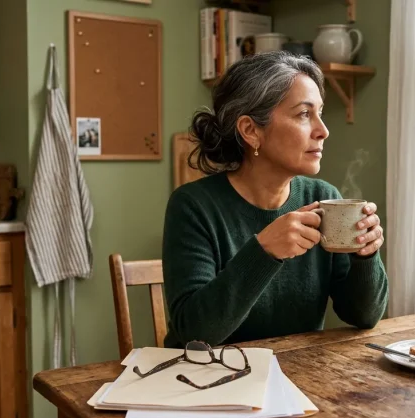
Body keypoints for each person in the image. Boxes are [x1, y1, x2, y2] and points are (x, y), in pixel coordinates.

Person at [161, 51, 388, 348]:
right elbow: (194, 334)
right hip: (207, 382)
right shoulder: (193, 206)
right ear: (251, 131)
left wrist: (366, 255)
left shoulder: (323, 199)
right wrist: (265, 251)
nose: (323, 130)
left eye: (320, 112)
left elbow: (364, 316)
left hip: (298, 378)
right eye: (304, 114)